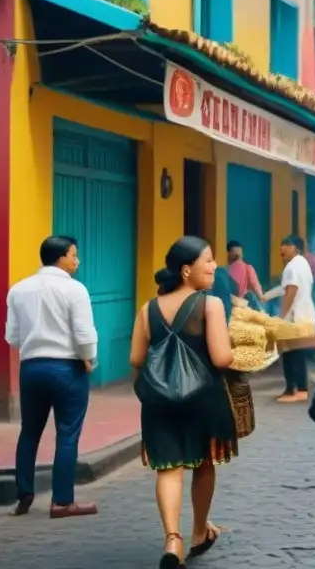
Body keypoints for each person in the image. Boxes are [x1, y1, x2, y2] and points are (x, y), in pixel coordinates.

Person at [130, 236, 237, 566]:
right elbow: (221, 358)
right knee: (204, 464)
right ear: (187, 270)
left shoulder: (147, 309)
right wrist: (239, 350)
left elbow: (136, 359)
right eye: (208, 260)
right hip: (203, 400)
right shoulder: (211, 305)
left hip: (159, 402)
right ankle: (199, 532)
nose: (215, 266)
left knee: (169, 469)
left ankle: (172, 541)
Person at [6, 235, 98, 518]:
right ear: (61, 258)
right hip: (67, 368)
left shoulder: (18, 290)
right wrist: (89, 359)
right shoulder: (75, 290)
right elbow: (84, 333)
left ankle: (24, 493)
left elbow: (12, 336)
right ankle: (62, 501)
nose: (77, 260)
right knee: (67, 433)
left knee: (29, 431)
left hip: (31, 368)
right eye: (74, 255)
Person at [275, 234, 315, 403]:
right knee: (296, 354)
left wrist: (281, 317)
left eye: (286, 244)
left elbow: (291, 291)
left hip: (294, 318)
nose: (282, 248)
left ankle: (297, 390)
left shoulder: (292, 267)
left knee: (291, 354)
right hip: (305, 316)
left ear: (296, 248)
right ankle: (296, 388)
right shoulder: (303, 264)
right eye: (281, 244)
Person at [225, 240, 264, 307]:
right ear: (228, 255)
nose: (238, 260)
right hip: (236, 303)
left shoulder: (247, 268)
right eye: (236, 257)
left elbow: (255, 284)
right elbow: (255, 285)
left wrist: (261, 296)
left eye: (239, 256)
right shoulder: (224, 271)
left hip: (241, 303)